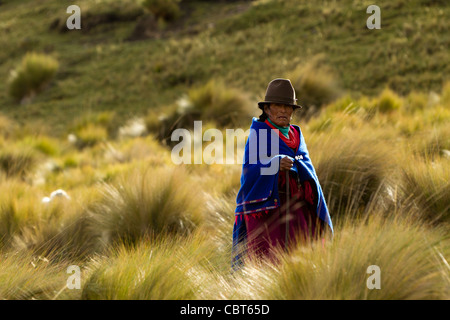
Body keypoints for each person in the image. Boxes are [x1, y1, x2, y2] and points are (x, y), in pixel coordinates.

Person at [232, 78, 333, 269]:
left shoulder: (296, 134)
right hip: (268, 215)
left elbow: (306, 166)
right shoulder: (259, 134)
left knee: (303, 263)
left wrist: (298, 168)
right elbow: (250, 170)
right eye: (278, 105)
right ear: (267, 109)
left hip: (298, 210)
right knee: (269, 266)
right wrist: (274, 164)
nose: (284, 111)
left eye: (288, 107)